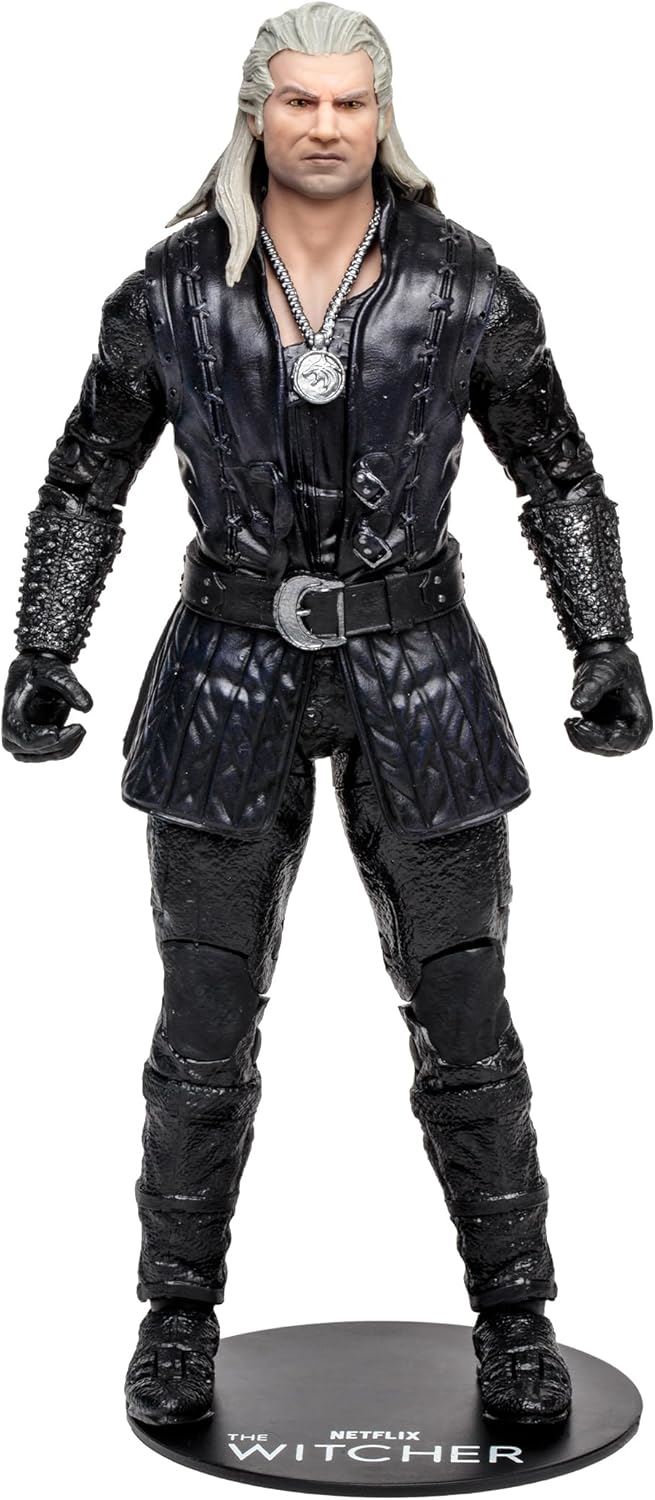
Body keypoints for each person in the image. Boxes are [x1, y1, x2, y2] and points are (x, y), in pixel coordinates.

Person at [3, 2, 651, 1432]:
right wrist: (45, 644)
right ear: (258, 110)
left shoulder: (463, 285)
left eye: (351, 103)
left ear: (382, 115)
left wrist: (602, 640)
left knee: (467, 1017)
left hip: (420, 677)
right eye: (299, 100)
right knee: (202, 1024)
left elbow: (558, 470)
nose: (324, 126)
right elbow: (85, 475)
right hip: (226, 674)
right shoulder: (171, 293)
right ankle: (177, 1316)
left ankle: (517, 1317)